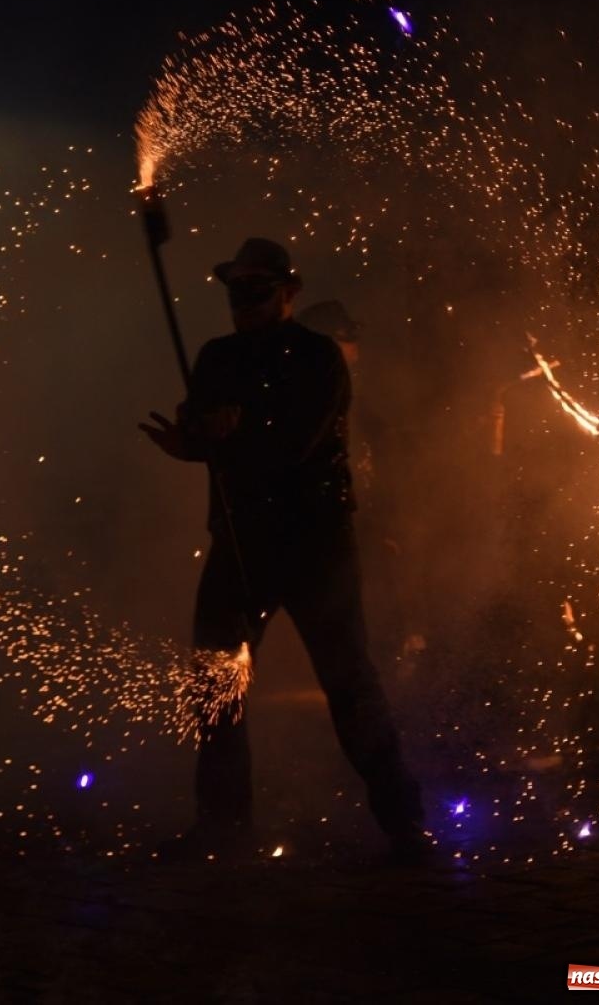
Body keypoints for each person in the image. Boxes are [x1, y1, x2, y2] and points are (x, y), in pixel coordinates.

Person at [139, 237, 427, 862]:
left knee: (349, 684)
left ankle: (405, 823)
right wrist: (195, 437)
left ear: (288, 293)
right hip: (240, 541)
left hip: (314, 544)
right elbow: (201, 417)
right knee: (217, 689)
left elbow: (290, 445)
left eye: (257, 289)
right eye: (236, 290)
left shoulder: (320, 358)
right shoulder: (217, 356)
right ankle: (222, 829)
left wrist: (222, 439)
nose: (243, 301)